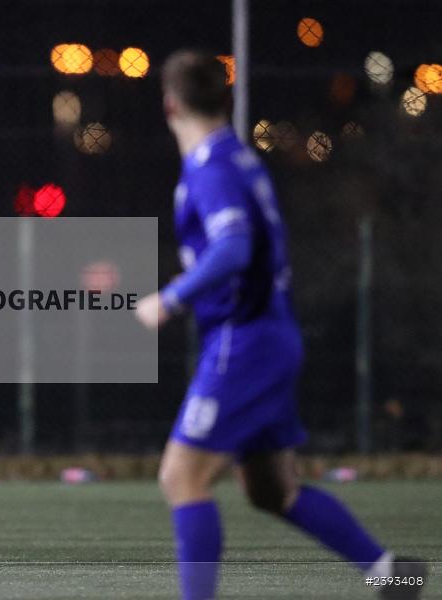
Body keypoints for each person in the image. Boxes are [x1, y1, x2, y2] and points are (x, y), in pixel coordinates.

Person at [135, 50, 425, 600]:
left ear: (169, 104)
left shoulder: (213, 167)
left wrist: (170, 299)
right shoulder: (239, 158)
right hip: (270, 335)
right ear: (226, 99)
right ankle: (395, 576)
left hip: (244, 343)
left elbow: (234, 248)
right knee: (272, 490)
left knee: (181, 478)